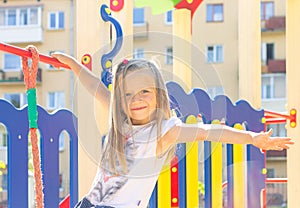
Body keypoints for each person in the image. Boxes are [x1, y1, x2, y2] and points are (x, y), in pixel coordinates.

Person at [51, 53, 294, 208]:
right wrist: (74, 66)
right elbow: (97, 88)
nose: (136, 99)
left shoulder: (163, 132)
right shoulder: (121, 122)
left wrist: (252, 138)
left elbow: (207, 131)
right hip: (89, 204)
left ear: (158, 95)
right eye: (128, 94)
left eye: (144, 91)